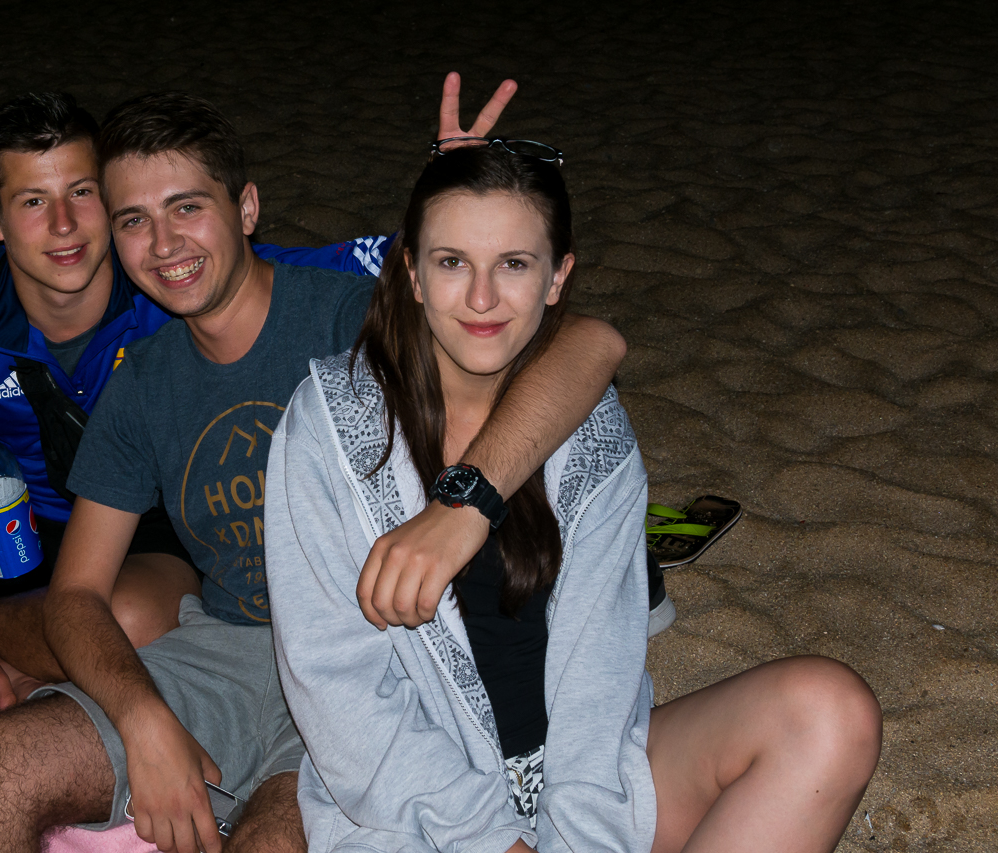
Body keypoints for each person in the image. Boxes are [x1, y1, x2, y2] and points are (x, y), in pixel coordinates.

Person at [0, 80, 630, 853]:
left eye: (187, 207)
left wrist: (467, 195)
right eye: (133, 220)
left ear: (247, 208)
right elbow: (76, 596)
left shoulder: (352, 318)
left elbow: (585, 341)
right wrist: (143, 716)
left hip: (368, 665)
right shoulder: (144, 380)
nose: (164, 243)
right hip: (225, 654)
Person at [266, 142, 883, 853]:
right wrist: (495, 840)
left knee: (830, 713)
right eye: (452, 262)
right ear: (412, 275)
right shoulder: (331, 427)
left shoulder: (590, 428)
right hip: (413, 809)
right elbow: (338, 692)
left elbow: (599, 684)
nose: (482, 298)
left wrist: (579, 838)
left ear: (558, 277)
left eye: (514, 264)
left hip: (586, 776)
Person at [0, 92, 396, 724]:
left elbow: (366, 265)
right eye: (33, 201)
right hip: (0, 502)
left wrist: (457, 185)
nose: (64, 224)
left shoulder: (170, 281)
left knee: (129, 620)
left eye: (82, 192)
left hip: (140, 527)